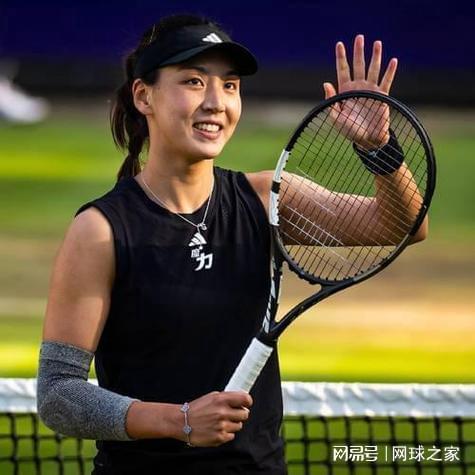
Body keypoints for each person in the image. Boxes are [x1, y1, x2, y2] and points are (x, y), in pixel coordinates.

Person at [36, 13, 427, 475]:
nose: (216, 103)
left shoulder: (266, 199)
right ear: (144, 96)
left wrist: (379, 148)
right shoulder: (100, 230)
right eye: (193, 82)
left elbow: (403, 226)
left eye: (230, 85)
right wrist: (179, 421)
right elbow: (59, 394)